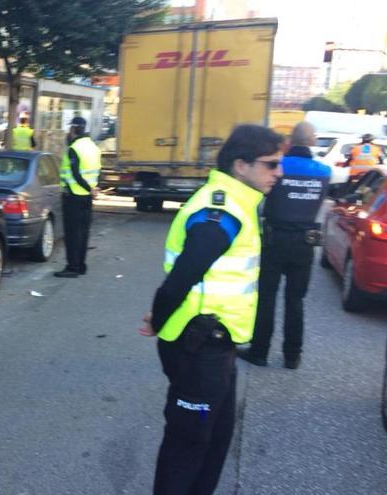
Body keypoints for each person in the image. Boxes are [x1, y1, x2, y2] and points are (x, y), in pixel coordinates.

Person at [138, 124, 284, 494]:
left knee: (216, 439)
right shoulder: (221, 209)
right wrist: (158, 317)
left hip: (217, 343)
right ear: (241, 165)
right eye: (271, 165)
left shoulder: (238, 203)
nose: (278, 174)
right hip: (198, 346)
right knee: (189, 443)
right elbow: (183, 275)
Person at [238, 122, 330, 370]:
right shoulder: (323, 171)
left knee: (266, 298)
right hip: (305, 244)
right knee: (296, 300)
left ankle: (259, 352)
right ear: (312, 142)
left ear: (290, 140)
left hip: (274, 240)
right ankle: (292, 356)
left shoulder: (279, 167)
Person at [54, 116, 101, 278]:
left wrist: (89, 188)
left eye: (70, 129)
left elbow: (75, 174)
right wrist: (93, 189)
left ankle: (72, 267)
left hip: (73, 196)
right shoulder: (94, 147)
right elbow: (97, 171)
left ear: (73, 129)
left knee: (73, 234)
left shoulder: (74, 148)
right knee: (83, 233)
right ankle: (81, 265)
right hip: (87, 198)